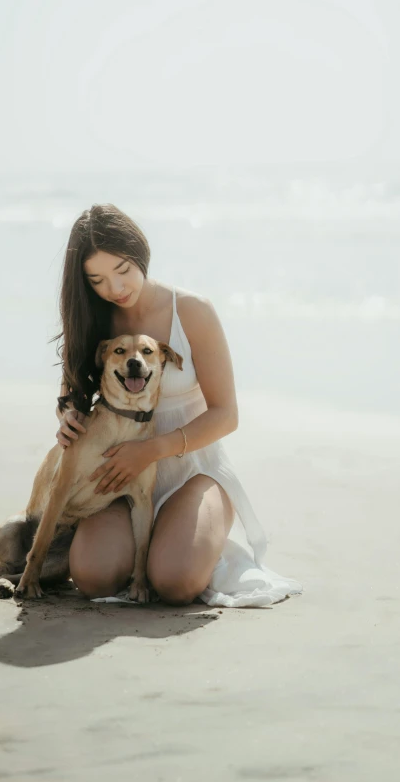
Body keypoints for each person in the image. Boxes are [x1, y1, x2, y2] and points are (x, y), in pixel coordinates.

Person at [52, 203, 302, 608]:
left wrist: (150, 450)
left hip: (193, 469)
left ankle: (192, 535)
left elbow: (227, 414)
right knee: (93, 577)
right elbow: (73, 395)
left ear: (140, 253)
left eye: (122, 270)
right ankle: (159, 542)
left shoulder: (191, 311)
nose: (114, 288)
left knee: (175, 582)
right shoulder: (93, 321)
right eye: (96, 279)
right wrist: (67, 417)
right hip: (122, 476)